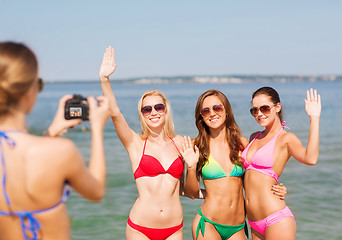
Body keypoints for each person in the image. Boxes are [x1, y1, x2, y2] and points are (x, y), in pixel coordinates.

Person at [0, 41, 110, 240]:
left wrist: (52, 131)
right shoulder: (60, 152)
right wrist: (97, 127)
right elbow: (96, 191)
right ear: (29, 92)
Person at [99, 46, 189, 240]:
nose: (153, 112)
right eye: (147, 109)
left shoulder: (180, 143)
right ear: (142, 115)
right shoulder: (135, 143)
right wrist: (104, 79)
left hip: (174, 228)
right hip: (141, 228)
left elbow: (212, 148)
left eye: (158, 107)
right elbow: (114, 112)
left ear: (166, 110)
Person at [182, 89, 287, 240]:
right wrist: (191, 168)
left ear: (226, 111)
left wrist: (275, 189)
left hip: (238, 228)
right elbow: (191, 193)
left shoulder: (241, 143)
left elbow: (253, 180)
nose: (212, 113)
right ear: (201, 117)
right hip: (209, 224)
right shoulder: (196, 146)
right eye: (206, 111)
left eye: (217, 108)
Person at [241, 86, 321, 240]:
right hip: (254, 222)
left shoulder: (286, 138)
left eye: (264, 108)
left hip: (276, 219)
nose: (259, 114)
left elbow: (311, 158)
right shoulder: (253, 137)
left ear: (277, 107)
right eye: (254, 110)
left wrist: (314, 118)